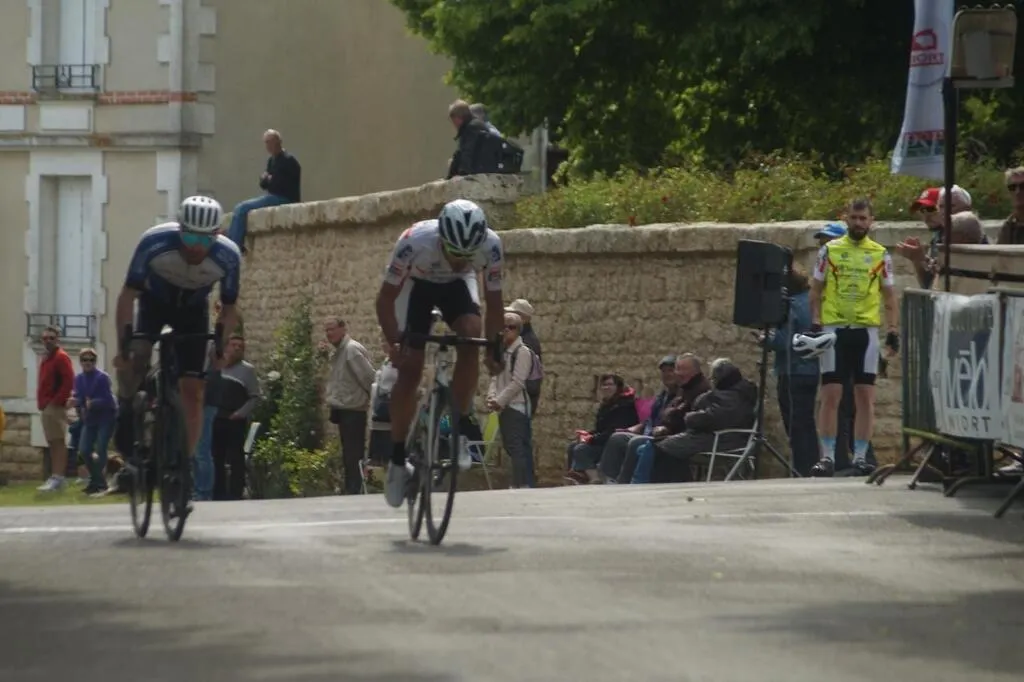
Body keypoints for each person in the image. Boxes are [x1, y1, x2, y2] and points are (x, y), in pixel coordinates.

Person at [112, 195, 242, 509]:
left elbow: (229, 308)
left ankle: (179, 469)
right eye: (189, 236)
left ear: (218, 235)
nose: (196, 246)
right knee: (138, 356)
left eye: (205, 238)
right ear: (179, 229)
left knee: (194, 390)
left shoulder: (228, 256)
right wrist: (123, 347)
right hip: (153, 305)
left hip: (192, 312)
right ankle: (128, 409)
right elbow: (128, 297)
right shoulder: (154, 242)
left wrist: (221, 346)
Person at [375, 199, 504, 508]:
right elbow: (385, 300)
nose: (460, 260)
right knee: (410, 367)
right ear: (441, 239)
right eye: (454, 253)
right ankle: (396, 459)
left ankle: (459, 427)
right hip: (415, 286)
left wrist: (495, 348)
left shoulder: (492, 247)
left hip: (457, 287)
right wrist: (395, 343)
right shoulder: (414, 241)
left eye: (467, 255)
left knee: (472, 335)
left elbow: (495, 302)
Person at [808, 198, 899, 477]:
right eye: (854, 218)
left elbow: (890, 297)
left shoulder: (881, 254)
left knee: (865, 395)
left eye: (863, 219)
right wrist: (815, 322)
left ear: (872, 221)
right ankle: (827, 457)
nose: (859, 223)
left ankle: (860, 456)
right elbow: (816, 289)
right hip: (834, 329)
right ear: (846, 219)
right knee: (831, 393)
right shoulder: (829, 251)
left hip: (866, 331)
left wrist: (893, 331)